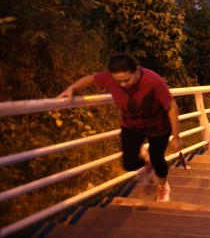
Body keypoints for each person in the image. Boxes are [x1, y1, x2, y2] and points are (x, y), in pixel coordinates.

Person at [58, 54, 182, 201]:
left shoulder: (153, 81)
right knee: (129, 164)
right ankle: (147, 163)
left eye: (126, 80)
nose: (123, 84)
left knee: (158, 159)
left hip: (158, 125)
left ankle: (163, 186)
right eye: (119, 81)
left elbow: (171, 106)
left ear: (136, 71)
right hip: (131, 124)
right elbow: (91, 79)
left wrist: (176, 136)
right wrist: (72, 88)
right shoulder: (109, 77)